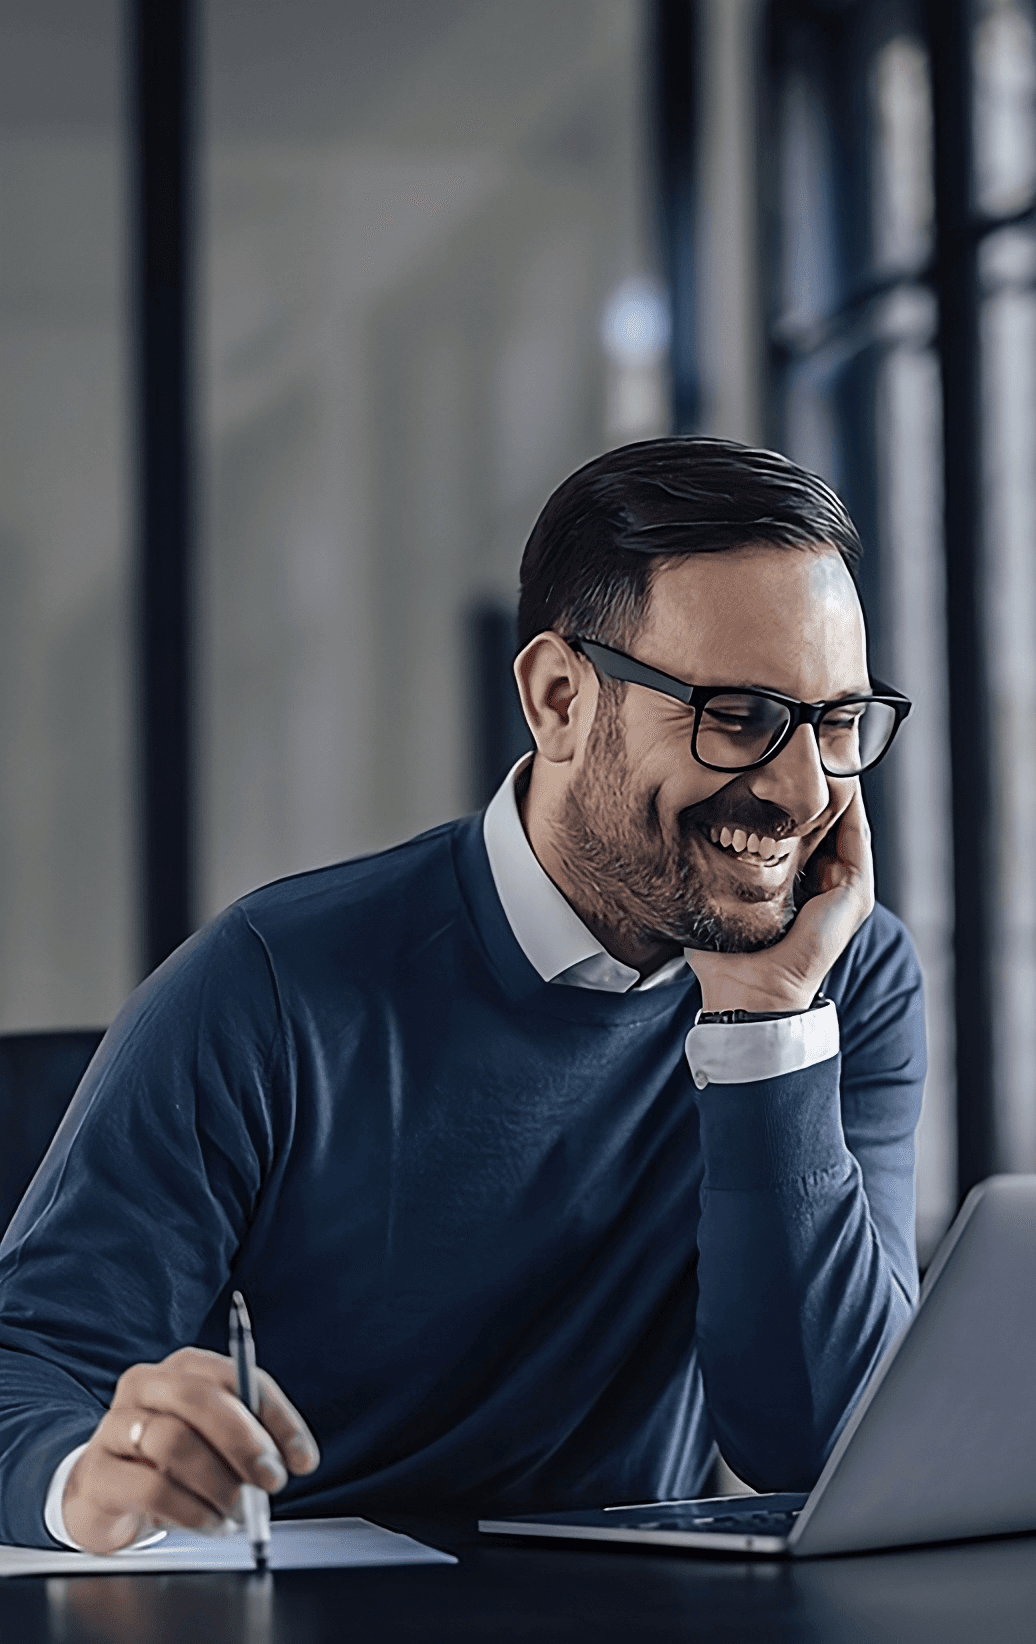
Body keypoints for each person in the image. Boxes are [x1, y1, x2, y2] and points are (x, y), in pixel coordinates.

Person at [0, 437, 926, 1554]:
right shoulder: (269, 985)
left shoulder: (839, 978)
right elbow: (25, 1366)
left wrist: (767, 1026)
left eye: (837, 723)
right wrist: (93, 1478)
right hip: (310, 1630)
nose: (803, 789)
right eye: (738, 716)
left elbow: (823, 1443)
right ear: (558, 698)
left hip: (650, 1631)